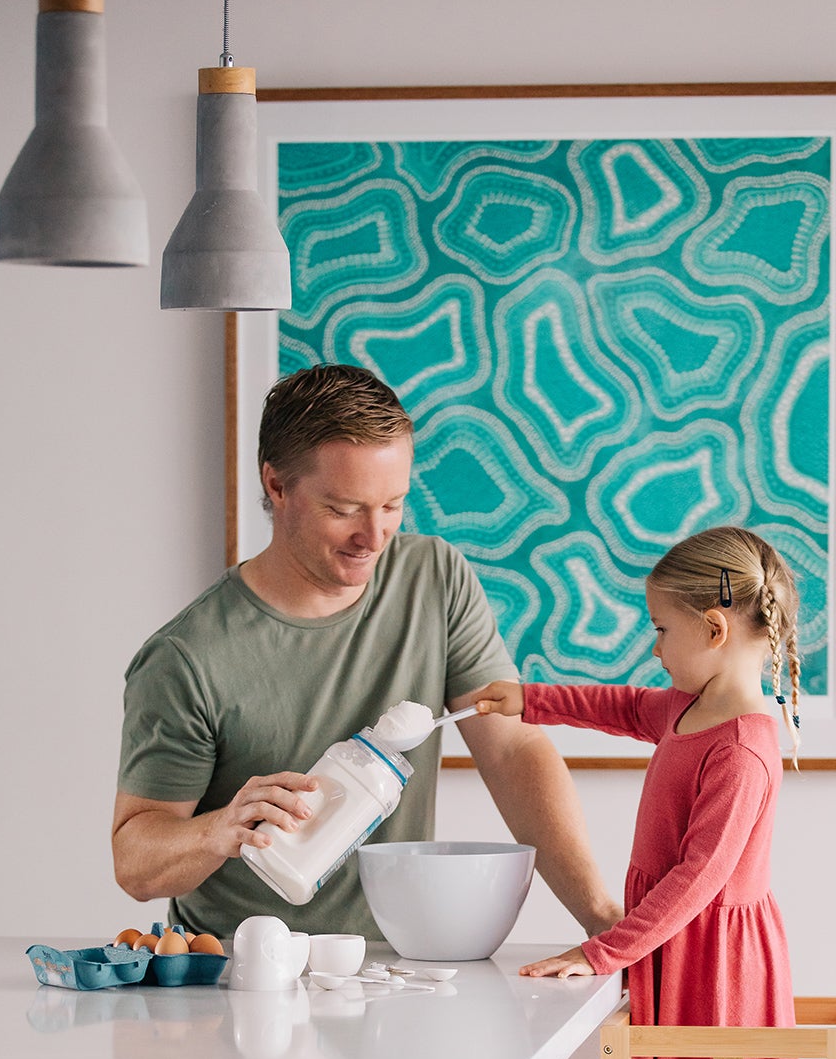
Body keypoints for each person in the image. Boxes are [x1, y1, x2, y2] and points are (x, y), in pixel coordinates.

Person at [112, 363, 619, 942]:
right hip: (243, 977)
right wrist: (220, 829)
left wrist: (604, 921)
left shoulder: (433, 578)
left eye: (392, 505)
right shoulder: (186, 657)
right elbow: (135, 861)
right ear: (276, 486)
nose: (374, 537)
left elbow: (511, 752)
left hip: (406, 968)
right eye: (344, 508)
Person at [471, 525, 807, 1059]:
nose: (652, 648)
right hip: (684, 953)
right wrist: (529, 699)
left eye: (661, 630)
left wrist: (598, 952)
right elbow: (622, 708)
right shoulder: (694, 712)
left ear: (715, 629)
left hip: (724, 960)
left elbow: (697, 880)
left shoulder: (744, 747)